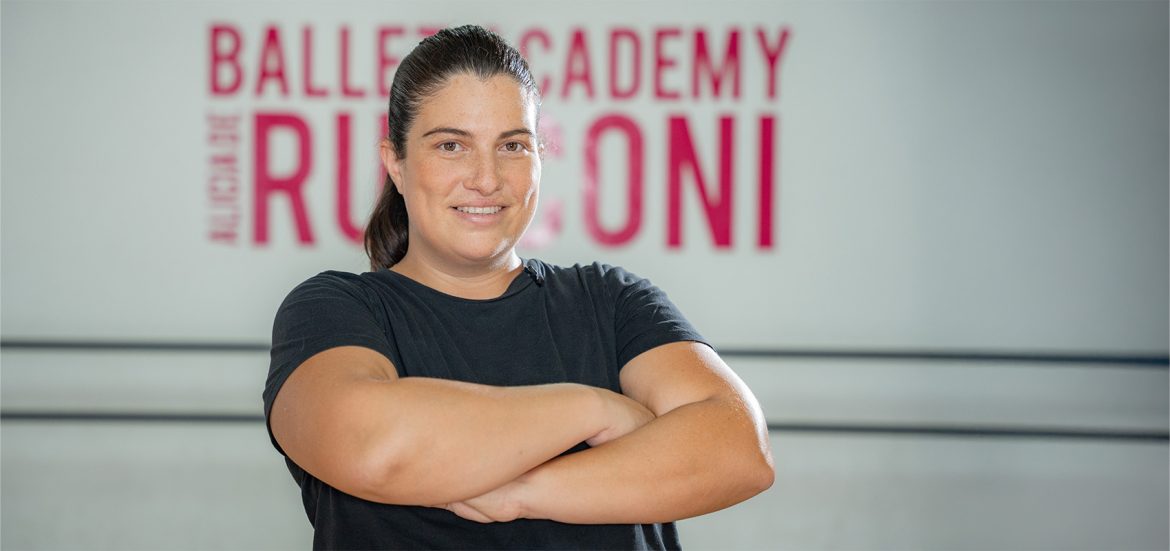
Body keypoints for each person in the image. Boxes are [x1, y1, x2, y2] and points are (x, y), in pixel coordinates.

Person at [263, 24, 774, 550]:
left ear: (539, 159)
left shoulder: (613, 304)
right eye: (451, 145)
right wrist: (595, 409)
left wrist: (523, 492)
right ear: (396, 163)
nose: (486, 178)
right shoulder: (335, 312)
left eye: (511, 146)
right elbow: (375, 448)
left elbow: (739, 451)